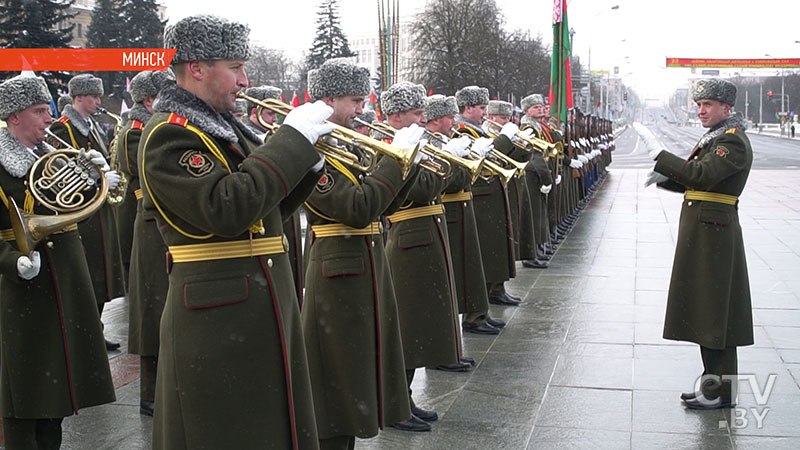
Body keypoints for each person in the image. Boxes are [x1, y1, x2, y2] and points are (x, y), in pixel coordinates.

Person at [139, 15, 331, 449]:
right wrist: (290, 142)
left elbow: (266, 210)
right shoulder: (169, 133)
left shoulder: (226, 129)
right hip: (219, 314)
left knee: (266, 428)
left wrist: (308, 161)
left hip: (254, 302)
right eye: (236, 67)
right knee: (228, 430)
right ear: (198, 68)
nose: (245, 80)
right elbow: (227, 209)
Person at [301, 58, 425, 448]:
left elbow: (380, 206)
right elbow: (356, 209)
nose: (362, 110)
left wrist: (408, 167)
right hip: (337, 270)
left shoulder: (346, 143)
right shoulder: (310, 149)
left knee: (357, 370)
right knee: (338, 375)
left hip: (363, 264)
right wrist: (394, 162)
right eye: (355, 101)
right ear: (327, 99)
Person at [0, 74, 116, 449]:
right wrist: (9, 261)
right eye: (38, 111)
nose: (49, 119)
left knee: (56, 396)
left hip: (63, 281)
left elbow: (72, 207)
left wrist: (96, 180)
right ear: (13, 117)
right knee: (23, 398)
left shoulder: (48, 157)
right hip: (22, 292)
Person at [645, 78, 753, 410]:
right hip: (708, 232)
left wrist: (661, 157)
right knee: (710, 313)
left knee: (715, 314)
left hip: (713, 234)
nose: (701, 110)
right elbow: (698, 180)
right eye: (699, 105)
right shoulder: (717, 138)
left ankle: (720, 392)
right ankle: (714, 386)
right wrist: (668, 179)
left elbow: (703, 176)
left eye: (707, 105)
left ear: (726, 108)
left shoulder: (731, 142)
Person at [379, 82, 465, 429]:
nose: (422, 121)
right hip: (406, 239)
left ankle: (406, 398)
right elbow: (422, 188)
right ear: (397, 116)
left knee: (417, 323)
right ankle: (397, 403)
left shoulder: (415, 142)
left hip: (424, 234)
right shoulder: (387, 145)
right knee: (407, 326)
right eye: (417, 114)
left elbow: (446, 181)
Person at [47, 73, 126, 351]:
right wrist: (98, 180)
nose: (98, 101)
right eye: (93, 96)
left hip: (99, 209)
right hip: (82, 211)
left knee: (102, 275)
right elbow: (61, 169)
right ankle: (85, 332)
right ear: (79, 96)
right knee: (90, 274)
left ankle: (96, 328)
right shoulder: (63, 128)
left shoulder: (90, 126)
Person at [425, 94, 505, 335]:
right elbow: (450, 181)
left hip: (460, 207)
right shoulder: (434, 142)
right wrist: (461, 160)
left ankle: (478, 314)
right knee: (456, 274)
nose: (454, 121)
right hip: (448, 210)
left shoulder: (448, 138)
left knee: (471, 267)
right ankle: (472, 318)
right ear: (437, 120)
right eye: (450, 117)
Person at [122, 69, 173, 417]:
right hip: (152, 226)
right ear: (148, 99)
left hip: (166, 224)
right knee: (153, 310)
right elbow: (153, 169)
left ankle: (165, 388)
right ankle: (150, 392)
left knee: (165, 307)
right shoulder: (137, 132)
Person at [454, 86, 521, 306]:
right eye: (482, 108)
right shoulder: (463, 131)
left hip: (492, 191)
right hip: (481, 194)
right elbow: (486, 159)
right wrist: (504, 139)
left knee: (498, 245)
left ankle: (496, 289)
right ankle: (485, 298)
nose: (485, 112)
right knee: (487, 248)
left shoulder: (479, 129)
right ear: (468, 108)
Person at [241, 85, 306, 306]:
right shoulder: (248, 140)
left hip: (283, 224)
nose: (275, 118)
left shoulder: (274, 135)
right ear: (253, 112)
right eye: (270, 113)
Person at [483, 100, 544, 269]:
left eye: (508, 118)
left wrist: (525, 146)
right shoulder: (487, 134)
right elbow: (493, 156)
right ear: (491, 116)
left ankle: (528, 254)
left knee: (522, 223)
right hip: (499, 186)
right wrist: (506, 139)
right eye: (502, 118)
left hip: (514, 182)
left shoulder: (506, 133)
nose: (506, 122)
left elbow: (519, 158)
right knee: (504, 234)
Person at [520, 94, 556, 259]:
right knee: (534, 214)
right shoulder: (529, 128)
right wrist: (546, 178)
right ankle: (533, 251)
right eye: (536, 107)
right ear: (527, 110)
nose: (541, 108)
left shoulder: (537, 126)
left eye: (541, 106)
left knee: (539, 213)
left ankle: (539, 246)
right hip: (532, 175)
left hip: (537, 174)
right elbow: (535, 156)